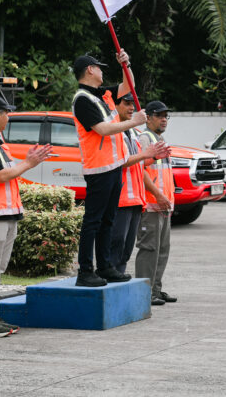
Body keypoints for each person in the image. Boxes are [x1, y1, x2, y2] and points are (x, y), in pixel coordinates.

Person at [0, 95, 54, 338]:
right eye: (6, 113)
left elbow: (9, 172)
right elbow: (1, 175)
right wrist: (29, 163)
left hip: (5, 213)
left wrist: (27, 162)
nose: (8, 117)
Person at [71, 51, 148, 287]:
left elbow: (129, 84)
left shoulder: (103, 95)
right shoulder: (82, 99)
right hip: (99, 168)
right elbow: (102, 129)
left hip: (114, 166)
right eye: (99, 67)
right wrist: (134, 122)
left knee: (108, 220)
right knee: (93, 221)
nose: (103, 71)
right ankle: (86, 270)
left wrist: (127, 63)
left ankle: (105, 267)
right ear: (90, 70)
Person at [109, 93, 168, 274]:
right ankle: (114, 284)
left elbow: (138, 164)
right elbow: (119, 161)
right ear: (115, 106)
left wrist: (152, 158)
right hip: (121, 198)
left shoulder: (133, 134)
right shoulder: (114, 131)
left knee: (126, 251)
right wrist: (146, 154)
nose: (131, 108)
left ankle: (121, 283)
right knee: (116, 247)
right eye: (126, 104)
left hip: (136, 199)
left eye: (132, 104)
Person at [135, 100, 177, 306]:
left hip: (163, 206)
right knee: (149, 249)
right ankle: (145, 292)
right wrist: (159, 195)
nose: (164, 119)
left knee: (162, 250)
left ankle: (155, 290)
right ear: (148, 117)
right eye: (159, 116)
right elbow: (139, 170)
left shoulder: (159, 139)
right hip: (152, 205)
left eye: (165, 116)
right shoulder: (144, 139)